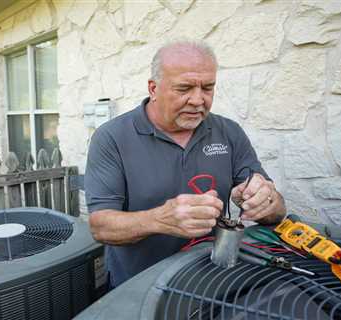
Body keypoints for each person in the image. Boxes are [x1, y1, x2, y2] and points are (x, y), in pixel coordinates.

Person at [84, 40, 286, 288]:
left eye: (208, 88)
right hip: (137, 287)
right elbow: (100, 226)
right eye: (184, 88)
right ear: (153, 88)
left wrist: (267, 202)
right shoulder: (111, 137)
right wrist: (160, 219)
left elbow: (276, 210)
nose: (198, 100)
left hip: (213, 281)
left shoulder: (229, 132)